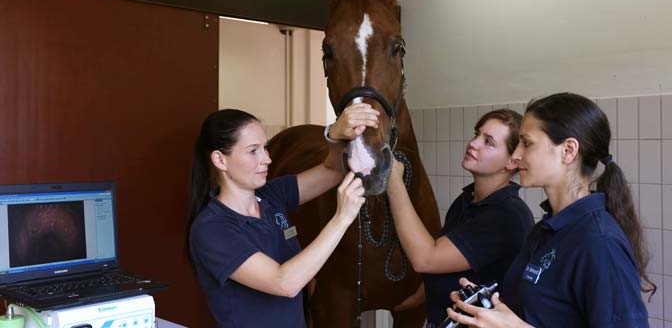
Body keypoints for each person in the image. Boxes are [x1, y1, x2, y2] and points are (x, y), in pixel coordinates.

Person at [447, 92, 656, 328]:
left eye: (526, 143)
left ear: (568, 150)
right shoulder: (545, 230)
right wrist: (491, 310)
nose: (515, 155)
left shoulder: (600, 242)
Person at [186, 104, 379, 328]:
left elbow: (333, 170)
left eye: (265, 148)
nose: (267, 159)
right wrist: (341, 219)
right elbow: (285, 283)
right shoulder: (212, 229)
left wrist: (334, 134)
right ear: (220, 160)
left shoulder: (271, 195)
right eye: (253, 151)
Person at [387, 109, 534, 328]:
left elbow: (426, 258)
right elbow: (447, 263)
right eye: (477, 134)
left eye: (488, 142)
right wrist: (418, 298)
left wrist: (393, 182)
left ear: (512, 162)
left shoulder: (506, 215)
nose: (473, 143)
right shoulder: (466, 200)